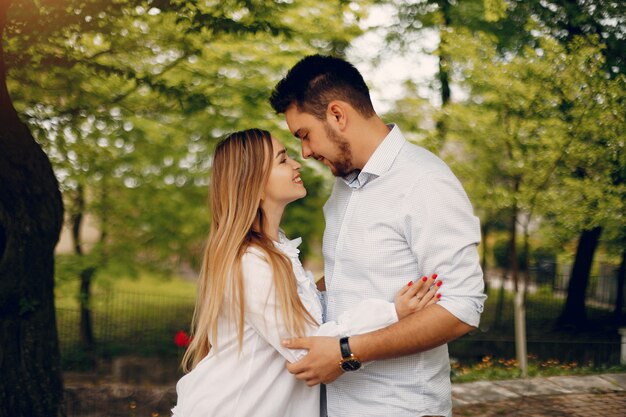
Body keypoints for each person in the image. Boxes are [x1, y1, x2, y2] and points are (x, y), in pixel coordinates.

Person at [269, 55, 487, 417]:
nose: (304, 152)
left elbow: (461, 307)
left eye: (304, 135)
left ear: (338, 115)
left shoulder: (425, 181)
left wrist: (346, 353)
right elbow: (346, 279)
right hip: (331, 406)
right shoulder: (343, 187)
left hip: (397, 407)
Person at [171, 128, 442, 417]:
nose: (297, 162)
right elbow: (306, 350)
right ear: (255, 184)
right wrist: (391, 313)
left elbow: (308, 314)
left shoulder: (279, 251)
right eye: (282, 160)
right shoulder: (251, 263)